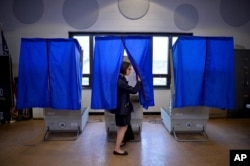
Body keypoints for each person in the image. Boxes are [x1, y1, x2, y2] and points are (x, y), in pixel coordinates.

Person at [113, 61, 141, 156]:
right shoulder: (120, 82)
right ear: (123, 69)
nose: (130, 70)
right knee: (123, 127)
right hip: (122, 108)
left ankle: (119, 143)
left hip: (120, 107)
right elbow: (133, 90)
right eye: (129, 69)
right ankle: (117, 149)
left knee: (120, 126)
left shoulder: (119, 78)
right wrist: (139, 82)